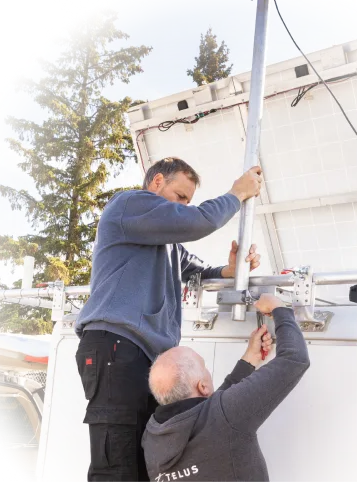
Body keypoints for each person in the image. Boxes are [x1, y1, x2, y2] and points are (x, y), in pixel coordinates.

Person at [75, 157, 263, 482]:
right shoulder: (130, 205)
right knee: (117, 466)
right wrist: (237, 194)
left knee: (146, 463)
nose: (184, 206)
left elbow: (195, 269)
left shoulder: (166, 244)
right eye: (180, 197)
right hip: (117, 348)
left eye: (188, 201)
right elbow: (196, 222)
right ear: (157, 182)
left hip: (143, 359)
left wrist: (227, 271)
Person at [142, 293, 310, 482]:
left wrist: (249, 360)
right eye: (204, 367)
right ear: (203, 386)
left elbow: (210, 416)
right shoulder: (223, 416)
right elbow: (294, 359)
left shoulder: (151, 437)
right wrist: (280, 309)